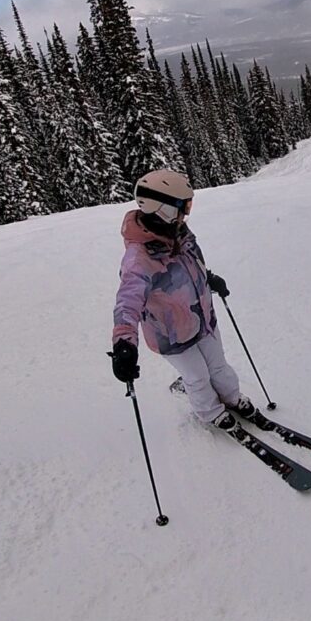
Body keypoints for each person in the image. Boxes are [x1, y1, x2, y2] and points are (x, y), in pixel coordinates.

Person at [110, 169, 261, 432]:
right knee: (198, 376)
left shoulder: (179, 232)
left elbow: (191, 264)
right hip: (170, 333)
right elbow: (127, 302)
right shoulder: (138, 258)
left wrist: (208, 278)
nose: (187, 212)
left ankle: (232, 398)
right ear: (163, 208)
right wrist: (124, 343)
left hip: (202, 318)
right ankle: (210, 411)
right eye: (183, 205)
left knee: (218, 367)